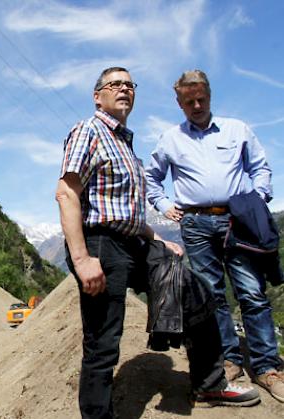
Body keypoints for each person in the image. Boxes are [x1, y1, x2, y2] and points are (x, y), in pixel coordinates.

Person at [56, 66, 260, 418]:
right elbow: (66, 193)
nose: (123, 89)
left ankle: (210, 383)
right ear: (97, 96)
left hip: (134, 242)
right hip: (102, 245)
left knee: (196, 292)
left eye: (129, 84)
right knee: (103, 343)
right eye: (114, 84)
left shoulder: (124, 140)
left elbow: (126, 210)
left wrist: (158, 241)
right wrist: (82, 258)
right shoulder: (88, 130)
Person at [145, 69, 284, 403]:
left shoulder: (237, 129)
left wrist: (257, 198)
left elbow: (260, 168)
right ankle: (230, 360)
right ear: (179, 103)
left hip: (237, 222)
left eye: (201, 99)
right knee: (212, 296)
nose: (196, 105)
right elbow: (151, 177)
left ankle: (268, 368)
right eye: (189, 101)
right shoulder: (170, 139)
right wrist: (164, 205)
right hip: (194, 224)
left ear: (209, 96)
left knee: (251, 292)